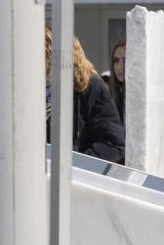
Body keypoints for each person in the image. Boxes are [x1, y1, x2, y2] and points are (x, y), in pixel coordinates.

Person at [109, 37, 164, 180]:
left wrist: (152, 178)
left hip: (158, 181)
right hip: (124, 181)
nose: (120, 66)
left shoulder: (161, 99)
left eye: (125, 60)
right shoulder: (114, 100)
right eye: (116, 60)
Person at [44, 28, 125, 163]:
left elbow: (113, 143)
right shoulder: (31, 89)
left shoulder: (90, 86)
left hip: (73, 173)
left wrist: (76, 165)